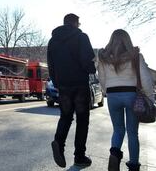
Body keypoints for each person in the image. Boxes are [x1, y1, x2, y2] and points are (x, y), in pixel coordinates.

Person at [97, 29, 154, 171]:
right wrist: (149, 97)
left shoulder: (103, 58)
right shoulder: (135, 56)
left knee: (117, 130)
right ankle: (134, 166)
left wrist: (106, 92)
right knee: (132, 133)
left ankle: (115, 154)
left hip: (112, 96)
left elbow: (102, 79)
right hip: (131, 95)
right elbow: (146, 79)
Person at [47, 13, 96, 168]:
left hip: (63, 86)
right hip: (80, 85)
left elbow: (51, 64)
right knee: (82, 120)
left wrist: (57, 82)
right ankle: (79, 156)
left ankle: (58, 142)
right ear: (75, 23)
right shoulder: (81, 37)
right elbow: (87, 60)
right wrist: (91, 69)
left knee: (66, 117)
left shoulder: (53, 41)